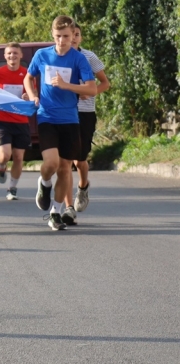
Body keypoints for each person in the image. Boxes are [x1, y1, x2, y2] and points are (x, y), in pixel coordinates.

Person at [23, 16, 96, 230]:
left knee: (65, 168)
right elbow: (28, 77)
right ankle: (44, 183)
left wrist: (67, 86)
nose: (62, 41)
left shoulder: (78, 59)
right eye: (58, 36)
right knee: (51, 163)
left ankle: (55, 211)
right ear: (52, 35)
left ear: (73, 35)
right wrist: (33, 94)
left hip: (70, 119)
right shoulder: (42, 55)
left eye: (66, 36)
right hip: (47, 116)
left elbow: (91, 88)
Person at [61, 24, 110, 223]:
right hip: (63, 112)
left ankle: (82, 188)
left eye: (77, 34)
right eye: (69, 34)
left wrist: (90, 92)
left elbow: (105, 83)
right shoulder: (58, 57)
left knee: (79, 161)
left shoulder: (89, 57)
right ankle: (68, 208)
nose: (73, 38)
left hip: (85, 113)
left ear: (80, 37)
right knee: (65, 162)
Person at [0, 43, 30, 201]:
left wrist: (27, 97)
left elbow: (32, 93)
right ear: (5, 56)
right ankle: (1, 166)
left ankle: (12, 188)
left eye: (15, 53)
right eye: (9, 54)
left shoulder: (26, 73)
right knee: (5, 155)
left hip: (21, 121)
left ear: (21, 56)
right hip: (2, 121)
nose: (12, 56)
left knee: (19, 157)